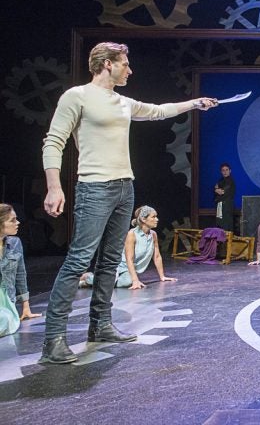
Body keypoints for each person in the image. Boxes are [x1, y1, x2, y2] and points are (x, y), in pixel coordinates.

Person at [40, 41, 219, 364]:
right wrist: (54, 187)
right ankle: (53, 339)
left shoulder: (122, 102)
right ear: (107, 64)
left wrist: (195, 103)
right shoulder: (77, 96)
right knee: (80, 260)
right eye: (124, 63)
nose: (130, 69)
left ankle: (101, 325)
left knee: (110, 261)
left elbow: (158, 111)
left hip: (125, 188)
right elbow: (54, 141)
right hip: (94, 187)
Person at [80, 206, 178, 290]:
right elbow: (129, 259)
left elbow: (156, 256)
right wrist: (135, 281)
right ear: (144, 219)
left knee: (124, 282)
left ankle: (89, 283)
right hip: (119, 266)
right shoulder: (132, 234)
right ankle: (88, 277)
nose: (157, 219)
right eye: (153, 217)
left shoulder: (153, 235)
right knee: (122, 282)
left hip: (130, 270)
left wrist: (162, 276)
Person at [1, 204, 42, 337]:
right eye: (12, 220)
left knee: (5, 319)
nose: (17, 223)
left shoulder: (15, 243)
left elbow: (20, 275)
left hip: (6, 301)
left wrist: (26, 307)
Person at [214, 163, 235, 232]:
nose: (225, 172)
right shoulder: (220, 180)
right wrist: (216, 190)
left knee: (226, 225)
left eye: (226, 170)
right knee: (220, 224)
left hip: (227, 206)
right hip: (220, 205)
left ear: (230, 171)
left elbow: (222, 192)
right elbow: (215, 189)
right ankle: (221, 241)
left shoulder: (230, 181)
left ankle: (226, 241)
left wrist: (217, 190)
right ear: (221, 171)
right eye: (223, 170)